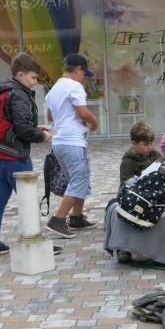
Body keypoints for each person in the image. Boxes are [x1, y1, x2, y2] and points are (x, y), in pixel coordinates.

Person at [0, 53, 56, 257]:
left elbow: (12, 122)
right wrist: (42, 135)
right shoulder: (19, 93)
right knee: (28, 199)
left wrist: (35, 127)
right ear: (21, 75)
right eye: (33, 77)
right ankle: (36, 243)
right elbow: (23, 130)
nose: (35, 82)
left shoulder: (0, 90)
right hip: (14, 155)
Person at [44, 53, 100, 239]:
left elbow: (51, 117)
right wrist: (95, 122)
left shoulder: (53, 89)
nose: (84, 78)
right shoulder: (75, 86)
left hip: (58, 141)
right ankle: (58, 219)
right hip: (73, 141)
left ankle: (76, 217)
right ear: (77, 70)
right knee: (79, 179)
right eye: (84, 73)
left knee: (76, 179)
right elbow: (83, 113)